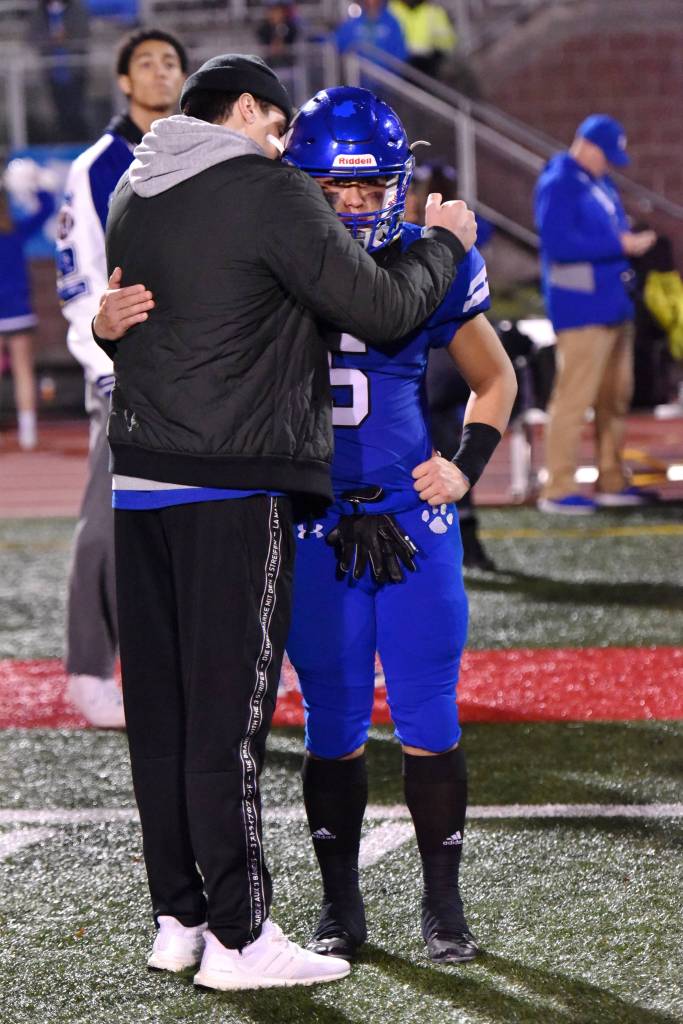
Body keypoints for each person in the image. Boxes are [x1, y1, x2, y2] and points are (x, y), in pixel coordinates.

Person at [90, 55, 477, 990]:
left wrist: (102, 328)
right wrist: (447, 242)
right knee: (228, 726)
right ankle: (241, 939)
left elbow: (139, 316)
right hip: (231, 482)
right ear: (252, 113)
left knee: (169, 723)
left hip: (141, 479)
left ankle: (178, 919)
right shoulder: (266, 189)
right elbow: (383, 308)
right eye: (278, 130)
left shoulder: (139, 190)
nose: (286, 149)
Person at [282, 87, 516, 963]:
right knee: (332, 722)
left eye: (371, 187)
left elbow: (495, 380)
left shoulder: (430, 258)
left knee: (427, 713)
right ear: (299, 187)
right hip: (315, 526)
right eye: (334, 190)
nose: (353, 205)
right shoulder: (273, 264)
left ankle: (443, 904)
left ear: (399, 183)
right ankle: (341, 905)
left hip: (412, 522)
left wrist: (465, 465)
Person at [56, 28, 188, 727]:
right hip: (124, 368)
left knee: (209, 515)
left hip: (199, 369)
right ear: (124, 83)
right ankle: (86, 668)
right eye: (147, 63)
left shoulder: (205, 156)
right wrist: (104, 366)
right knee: (107, 522)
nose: (161, 72)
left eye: (171, 62)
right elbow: (78, 285)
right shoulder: (98, 164)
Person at [534, 114, 657, 514]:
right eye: (606, 154)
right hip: (581, 306)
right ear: (587, 145)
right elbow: (558, 243)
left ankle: (612, 479)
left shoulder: (598, 181)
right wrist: (619, 243)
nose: (609, 163)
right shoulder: (559, 183)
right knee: (574, 398)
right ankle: (558, 487)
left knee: (615, 399)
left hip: (611, 302)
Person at [0, 161, 55, 450]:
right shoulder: (15, 231)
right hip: (18, 309)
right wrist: (39, 185)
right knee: (23, 370)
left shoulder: (16, 231)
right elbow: (46, 208)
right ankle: (28, 432)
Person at [31, 0, 91, 142]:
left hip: (75, 71)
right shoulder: (40, 12)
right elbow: (32, 36)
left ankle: (81, 142)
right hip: (52, 71)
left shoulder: (76, 9)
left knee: (77, 111)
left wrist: (67, 37)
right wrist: (50, 40)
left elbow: (84, 32)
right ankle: (64, 142)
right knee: (59, 112)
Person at [389, 0, 456, 78]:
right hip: (393, 64)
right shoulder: (390, 8)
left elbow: (447, 43)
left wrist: (434, 58)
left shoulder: (433, 11)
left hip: (425, 67)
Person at [335, 0, 407, 70]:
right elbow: (338, 44)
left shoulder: (392, 23)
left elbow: (399, 56)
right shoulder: (353, 22)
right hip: (356, 77)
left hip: (385, 78)